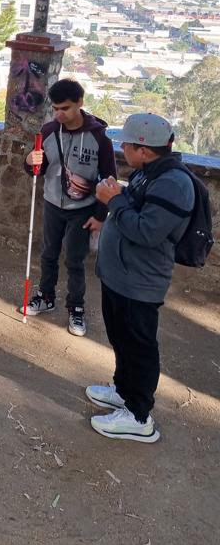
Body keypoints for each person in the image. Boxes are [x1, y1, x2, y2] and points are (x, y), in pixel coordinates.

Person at [86, 113, 194, 443]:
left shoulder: (174, 184)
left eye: (126, 145)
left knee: (139, 347)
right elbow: (133, 209)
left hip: (140, 282)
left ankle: (138, 415)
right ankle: (123, 390)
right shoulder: (148, 173)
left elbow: (147, 232)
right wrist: (117, 195)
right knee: (122, 339)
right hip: (122, 276)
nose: (122, 149)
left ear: (144, 150)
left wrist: (113, 200)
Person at [23, 78, 116, 337]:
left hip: (83, 209)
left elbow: (109, 179)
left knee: (74, 259)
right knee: (48, 254)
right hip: (53, 203)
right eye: (55, 108)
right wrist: (30, 161)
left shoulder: (100, 138)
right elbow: (35, 169)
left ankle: (76, 308)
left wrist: (100, 216)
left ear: (80, 104)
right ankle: (46, 295)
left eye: (65, 108)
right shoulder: (50, 131)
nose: (59, 114)